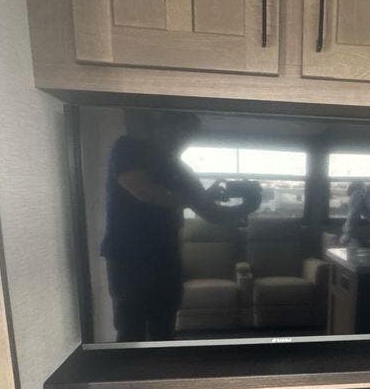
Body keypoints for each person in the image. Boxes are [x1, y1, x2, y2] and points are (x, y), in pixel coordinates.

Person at [100, 111, 260, 342]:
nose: (182, 138)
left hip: (166, 255)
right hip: (128, 255)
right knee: (130, 328)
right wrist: (195, 199)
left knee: (164, 326)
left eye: (188, 134)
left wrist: (248, 206)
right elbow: (144, 191)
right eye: (177, 130)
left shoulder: (182, 170)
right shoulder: (128, 147)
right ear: (159, 126)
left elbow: (212, 214)